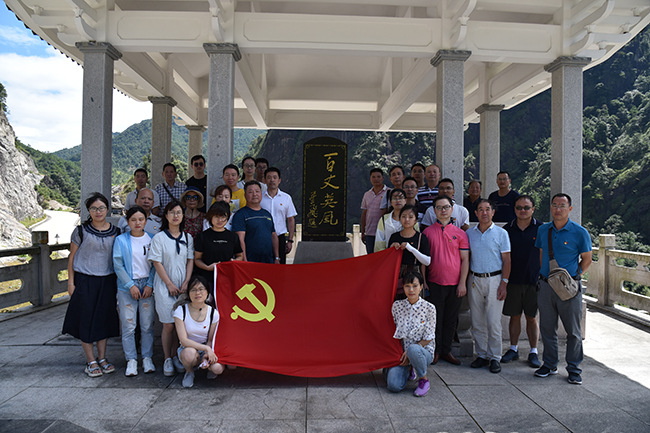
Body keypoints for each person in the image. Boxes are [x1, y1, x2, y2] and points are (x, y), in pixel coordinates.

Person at [534, 193, 592, 385]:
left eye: (562, 205)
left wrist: (573, 277)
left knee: (573, 330)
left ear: (570, 209)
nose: (558, 209)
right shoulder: (543, 230)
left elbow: (587, 259)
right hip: (546, 285)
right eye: (555, 205)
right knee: (547, 327)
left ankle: (574, 368)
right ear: (551, 207)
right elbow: (541, 255)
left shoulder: (580, 232)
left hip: (569, 288)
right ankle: (550, 364)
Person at [62, 192, 120, 377]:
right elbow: (72, 258)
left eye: (101, 208)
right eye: (94, 208)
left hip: (108, 280)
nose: (98, 212)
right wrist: (71, 283)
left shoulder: (116, 231)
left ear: (107, 209)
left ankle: (102, 358)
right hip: (85, 279)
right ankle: (90, 360)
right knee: (86, 319)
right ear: (89, 211)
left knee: (103, 319)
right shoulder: (81, 231)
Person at [422, 196, 469, 366]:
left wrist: (462, 283)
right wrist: (424, 281)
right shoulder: (427, 233)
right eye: (439, 207)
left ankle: (447, 351)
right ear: (434, 210)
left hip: (455, 284)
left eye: (446, 207)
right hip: (434, 282)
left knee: (451, 318)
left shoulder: (460, 233)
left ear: (452, 209)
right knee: (435, 319)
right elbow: (424, 260)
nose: (443, 210)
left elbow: (465, 260)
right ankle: (435, 351)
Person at [149, 201, 195, 377]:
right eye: (172, 212)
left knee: (179, 325)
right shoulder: (159, 238)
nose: (175, 216)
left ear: (183, 216)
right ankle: (167, 358)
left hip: (183, 287)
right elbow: (157, 262)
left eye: (179, 212)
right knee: (168, 325)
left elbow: (190, 260)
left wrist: (187, 282)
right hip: (164, 286)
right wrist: (168, 283)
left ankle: (177, 355)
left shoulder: (188, 237)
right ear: (166, 215)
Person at [467, 199, 511, 374]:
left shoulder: (501, 233)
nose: (484, 212)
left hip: (495, 279)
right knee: (477, 321)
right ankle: (481, 354)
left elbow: (507, 260)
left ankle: (495, 357)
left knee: (493, 321)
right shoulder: (469, 233)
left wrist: (504, 283)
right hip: (474, 279)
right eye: (480, 209)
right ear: (476, 213)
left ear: (493, 212)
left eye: (487, 209)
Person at [112, 206, 157, 377]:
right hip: (127, 287)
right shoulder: (121, 240)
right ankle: (131, 360)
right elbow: (118, 265)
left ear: (146, 221)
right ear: (127, 221)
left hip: (147, 285)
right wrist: (130, 285)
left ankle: (147, 358)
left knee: (147, 325)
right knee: (129, 326)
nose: (137, 223)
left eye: (141, 219)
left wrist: (150, 284)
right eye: (133, 220)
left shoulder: (152, 239)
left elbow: (156, 264)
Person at [501, 195, 543, 368]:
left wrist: (542, 275)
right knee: (514, 316)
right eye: (519, 208)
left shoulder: (541, 228)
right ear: (514, 209)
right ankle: (513, 349)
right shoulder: (507, 229)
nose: (522, 211)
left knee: (532, 317)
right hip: (513, 280)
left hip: (534, 280)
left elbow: (544, 254)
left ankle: (533, 351)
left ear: (533, 209)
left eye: (526, 207)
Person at [386, 272, 436, 397]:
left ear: (421, 287)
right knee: (393, 385)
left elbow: (429, 337)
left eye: (415, 285)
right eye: (407, 286)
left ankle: (423, 380)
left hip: (423, 352)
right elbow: (392, 331)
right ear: (403, 287)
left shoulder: (429, 308)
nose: (411, 290)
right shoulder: (397, 306)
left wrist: (410, 352)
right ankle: (409, 369)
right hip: (402, 353)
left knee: (413, 349)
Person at [173, 275, 224, 388]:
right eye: (193, 290)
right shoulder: (181, 311)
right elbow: (184, 340)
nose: (197, 293)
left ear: (207, 292)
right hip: (188, 348)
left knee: (217, 368)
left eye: (201, 289)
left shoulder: (213, 313)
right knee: (189, 354)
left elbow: (210, 339)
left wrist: (207, 353)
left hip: (206, 347)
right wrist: (206, 349)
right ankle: (189, 371)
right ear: (188, 293)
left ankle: (207, 367)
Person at [194, 201, 243, 286]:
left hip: (227, 279)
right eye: (216, 216)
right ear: (211, 216)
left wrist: (234, 262)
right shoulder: (202, 236)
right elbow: (197, 259)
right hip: (207, 280)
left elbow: (240, 255)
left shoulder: (233, 236)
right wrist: (208, 268)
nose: (220, 220)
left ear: (228, 217)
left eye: (223, 217)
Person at [388, 205, 431, 299]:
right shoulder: (394, 237)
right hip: (397, 275)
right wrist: (391, 249)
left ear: (416, 220)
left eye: (411, 217)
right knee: (397, 303)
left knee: (415, 304)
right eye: (403, 216)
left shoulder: (421, 237)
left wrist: (411, 248)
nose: (407, 219)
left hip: (415, 274)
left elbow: (427, 261)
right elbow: (388, 261)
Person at [232, 181, 280, 263]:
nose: (254, 194)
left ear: (261, 194)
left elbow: (273, 236)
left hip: (268, 261)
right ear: (245, 195)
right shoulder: (240, 215)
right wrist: (244, 260)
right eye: (250, 192)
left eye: (257, 191)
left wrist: (277, 258)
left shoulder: (267, 214)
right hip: (250, 261)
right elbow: (240, 239)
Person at [261, 167, 297, 264]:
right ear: (265, 180)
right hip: (262, 238)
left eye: (274, 177)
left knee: (280, 267)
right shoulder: (260, 197)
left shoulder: (286, 198)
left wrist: (290, 240)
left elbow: (290, 219)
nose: (272, 180)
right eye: (269, 177)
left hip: (280, 237)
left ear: (279, 180)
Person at [360, 168, 388, 254]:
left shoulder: (389, 192)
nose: (376, 179)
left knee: (383, 257)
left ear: (383, 178)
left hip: (384, 232)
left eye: (378, 177)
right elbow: (364, 214)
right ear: (370, 178)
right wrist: (363, 232)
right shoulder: (367, 194)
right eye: (373, 177)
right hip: (370, 232)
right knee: (371, 257)